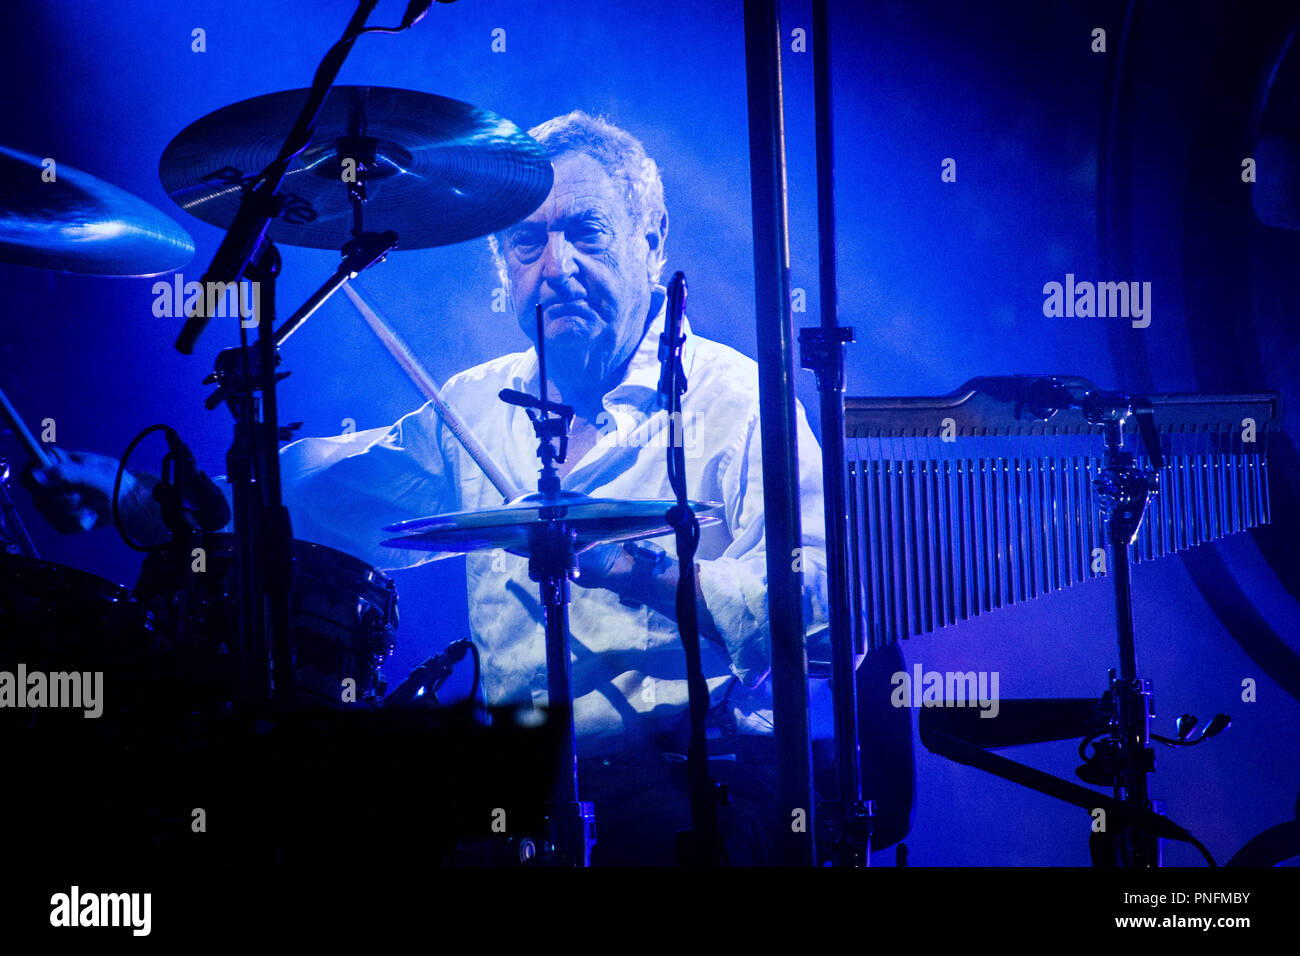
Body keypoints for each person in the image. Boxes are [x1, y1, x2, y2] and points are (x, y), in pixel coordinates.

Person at [23, 110, 830, 865]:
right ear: (500, 266)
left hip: (697, 773)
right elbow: (312, 499)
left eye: (586, 234)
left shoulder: (738, 404)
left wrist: (635, 572)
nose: (557, 268)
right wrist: (131, 492)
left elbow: (826, 616)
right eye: (526, 245)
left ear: (652, 241)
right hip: (516, 774)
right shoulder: (473, 403)